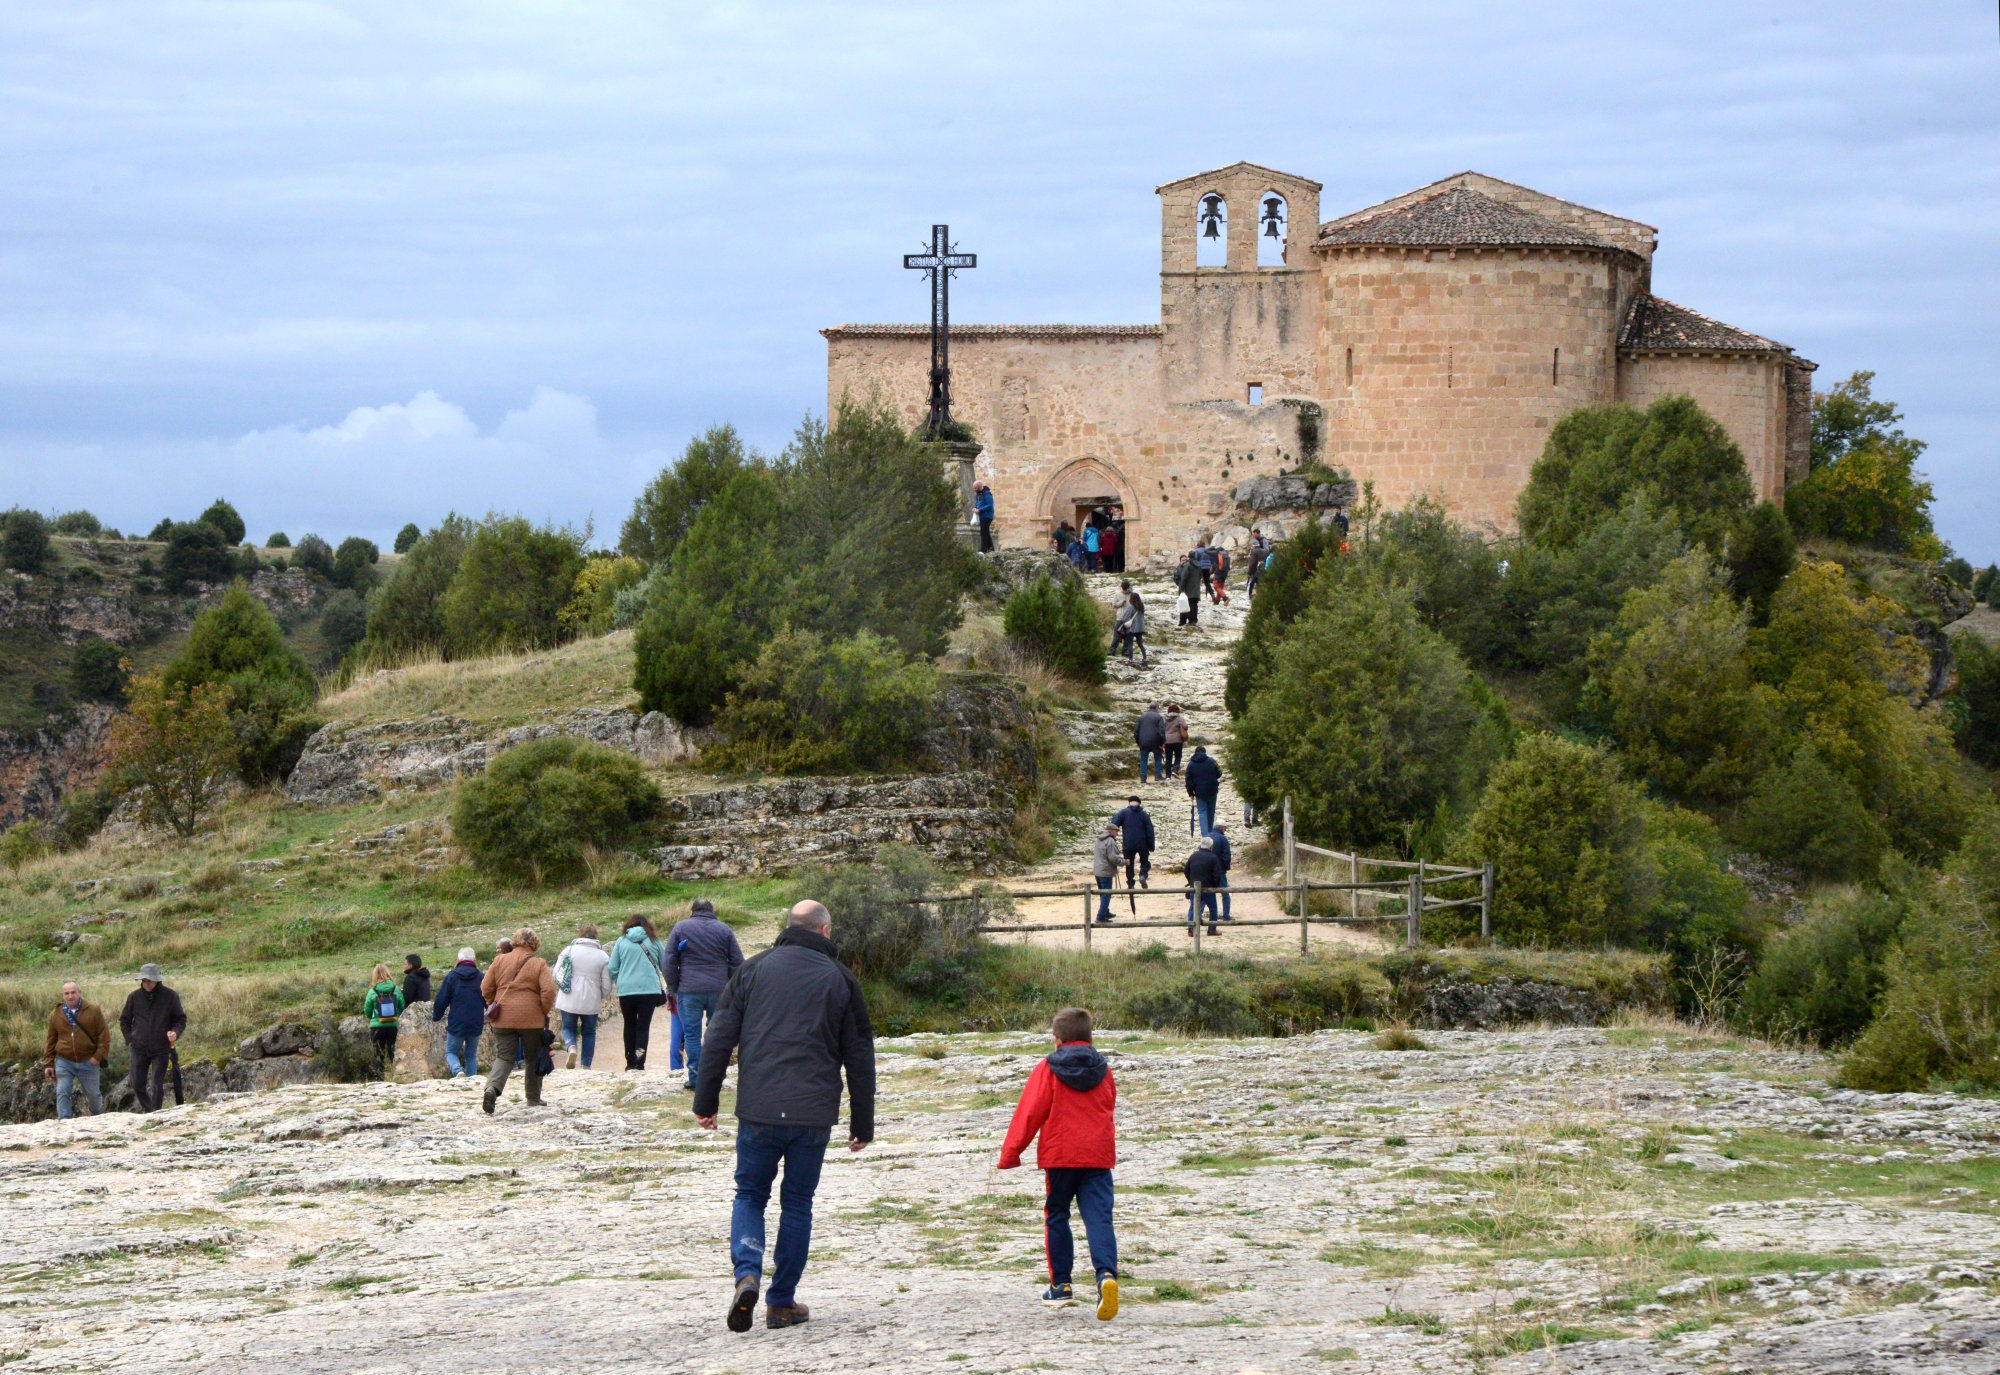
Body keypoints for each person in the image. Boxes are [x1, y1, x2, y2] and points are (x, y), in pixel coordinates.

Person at [696, 900, 876, 1334]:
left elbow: (719, 1036)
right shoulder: (841, 978)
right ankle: (780, 1302)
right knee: (797, 1203)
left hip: (759, 1107)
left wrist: (706, 1101)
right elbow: (859, 1055)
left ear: (789, 927)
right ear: (825, 931)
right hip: (812, 1114)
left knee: (750, 1194)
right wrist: (862, 1122)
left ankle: (747, 1273)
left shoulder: (753, 970)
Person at [997, 1007, 1118, 1321]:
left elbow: (1029, 1113)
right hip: (1097, 1156)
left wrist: (1010, 1154)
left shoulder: (1047, 1069)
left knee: (1057, 1214)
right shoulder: (1104, 1069)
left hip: (1060, 1155)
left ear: (1056, 1039)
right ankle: (1106, 1275)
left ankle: (1061, 1286)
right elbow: (1109, 1105)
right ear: (1090, 1037)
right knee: (1099, 1218)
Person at [666, 898, 745, 1092]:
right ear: (712, 911)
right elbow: (738, 962)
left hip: (689, 988)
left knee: (691, 1035)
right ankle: (714, 1076)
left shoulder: (680, 928)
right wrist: (731, 986)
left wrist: (673, 985)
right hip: (719, 989)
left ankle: (695, 1078)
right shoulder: (724, 929)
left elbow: (668, 960)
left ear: (692, 911)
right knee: (716, 1034)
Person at [481, 928, 556, 1113]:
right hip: (532, 1019)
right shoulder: (538, 964)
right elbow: (549, 991)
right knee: (533, 1057)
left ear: (514, 942)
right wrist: (542, 1011)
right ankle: (533, 1098)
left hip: (503, 1017)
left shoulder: (499, 960)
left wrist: (494, 1003)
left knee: (504, 1056)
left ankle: (492, 1088)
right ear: (534, 944)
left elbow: (485, 987)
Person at [119, 963, 184, 1114]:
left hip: (161, 1048)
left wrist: (175, 1032)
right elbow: (124, 1020)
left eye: (149, 980)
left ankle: (156, 1113)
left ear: (157, 980)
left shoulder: (170, 996)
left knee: (157, 1084)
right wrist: (130, 1039)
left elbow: (180, 1019)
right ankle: (149, 1111)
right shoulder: (134, 997)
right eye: (144, 980)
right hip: (138, 1047)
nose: (146, 983)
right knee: (137, 1084)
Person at [608, 915, 668, 1071]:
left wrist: (620, 980)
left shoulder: (621, 941)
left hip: (626, 990)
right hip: (649, 990)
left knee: (629, 1024)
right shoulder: (654, 940)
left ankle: (630, 1062)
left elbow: (612, 968)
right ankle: (640, 1062)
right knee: (643, 1026)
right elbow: (665, 964)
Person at [44, 980, 109, 1119]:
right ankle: (65, 1123)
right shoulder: (56, 1013)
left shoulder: (93, 1010)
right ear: (62, 995)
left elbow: (104, 1037)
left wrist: (97, 1057)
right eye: (66, 993)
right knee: (62, 1091)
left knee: (94, 1096)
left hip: (89, 1061)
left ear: (80, 993)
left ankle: (97, 1121)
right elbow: (51, 1039)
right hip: (64, 1061)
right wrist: (48, 1063)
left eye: (73, 992)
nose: (70, 996)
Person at [553, 924, 613, 1071]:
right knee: (589, 1033)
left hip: (569, 996)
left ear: (580, 935)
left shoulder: (569, 950)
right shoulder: (603, 956)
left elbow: (556, 974)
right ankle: (586, 1065)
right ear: (596, 936)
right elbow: (607, 983)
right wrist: (601, 995)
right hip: (591, 999)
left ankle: (571, 1047)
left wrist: (562, 986)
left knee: (568, 1027)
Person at [432, 947, 485, 1079]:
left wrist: (436, 1016)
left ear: (459, 960)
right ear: (474, 960)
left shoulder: (452, 976)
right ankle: (473, 1079)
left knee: (451, 1052)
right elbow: (488, 999)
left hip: (457, 1021)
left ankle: (457, 1070)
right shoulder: (481, 977)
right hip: (476, 1021)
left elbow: (441, 999)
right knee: (471, 1055)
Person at [362, 963, 406, 1070]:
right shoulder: (395, 989)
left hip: (377, 1027)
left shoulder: (372, 991)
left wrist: (373, 1018)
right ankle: (395, 1074)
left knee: (378, 1054)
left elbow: (367, 1010)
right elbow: (402, 1006)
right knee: (393, 1052)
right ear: (388, 974)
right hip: (393, 1026)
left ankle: (379, 1077)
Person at [1112, 795, 1155, 892]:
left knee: (1129, 864)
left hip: (1128, 844)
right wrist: (1151, 846)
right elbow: (1150, 831)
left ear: (1129, 803)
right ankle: (1143, 875)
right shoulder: (1144, 815)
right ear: (1139, 803)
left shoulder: (1123, 813)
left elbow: (1114, 824)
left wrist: (1112, 837)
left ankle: (1131, 884)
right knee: (1145, 862)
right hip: (1142, 844)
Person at [1184, 836, 1224, 936]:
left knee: (1193, 907)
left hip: (1195, 887)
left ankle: (1191, 928)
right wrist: (1214, 886)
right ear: (1211, 847)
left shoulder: (1193, 856)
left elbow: (1186, 870)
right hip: (1208, 888)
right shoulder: (1213, 857)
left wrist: (1191, 882)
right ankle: (1212, 929)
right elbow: (1217, 874)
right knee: (1213, 909)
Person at [1185, 744, 1221, 838]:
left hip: (1199, 792)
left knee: (1202, 812)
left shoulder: (1191, 764)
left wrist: (1190, 793)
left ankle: (1205, 836)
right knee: (1211, 811)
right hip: (1212, 790)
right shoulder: (1211, 761)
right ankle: (1210, 833)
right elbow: (1219, 773)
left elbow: (1188, 781)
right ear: (1205, 752)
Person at [1091, 822, 1122, 925]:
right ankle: (1100, 917)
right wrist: (1123, 862)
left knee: (1102, 893)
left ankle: (1105, 912)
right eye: (1116, 831)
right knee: (1106, 894)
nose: (1117, 833)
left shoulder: (1099, 840)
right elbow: (1112, 857)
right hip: (1105, 871)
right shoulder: (1110, 841)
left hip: (1098, 870)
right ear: (1111, 831)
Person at [1133, 702, 1165, 783]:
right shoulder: (1159, 717)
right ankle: (1158, 776)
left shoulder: (1141, 717)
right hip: (1155, 741)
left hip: (1143, 741)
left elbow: (1136, 731)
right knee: (1158, 758)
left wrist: (1138, 742)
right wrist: (1162, 743)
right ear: (1157, 708)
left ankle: (1143, 778)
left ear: (1149, 707)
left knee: (1143, 760)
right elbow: (1162, 731)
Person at [1210, 821, 1233, 923]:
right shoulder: (1223, 839)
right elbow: (1226, 855)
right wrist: (1226, 867)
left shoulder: (1207, 836)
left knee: (1204, 892)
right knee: (1225, 893)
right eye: (1225, 828)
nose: (1225, 830)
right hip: (1220, 871)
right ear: (1221, 828)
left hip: (1208, 870)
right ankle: (1226, 915)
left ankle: (1199, 913)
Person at [1174, 553, 1204, 627]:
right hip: (1196, 589)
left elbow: (1184, 578)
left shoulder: (1187, 565)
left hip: (1187, 589)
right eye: (1182, 560)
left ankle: (1190, 621)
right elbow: (1200, 575)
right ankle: (1190, 621)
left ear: (1188, 557)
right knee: (1193, 605)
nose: (1184, 561)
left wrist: (1181, 588)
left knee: (1188, 604)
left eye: (1185, 559)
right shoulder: (1198, 565)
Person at [1161, 703, 1188, 779]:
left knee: (1168, 758)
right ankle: (1175, 770)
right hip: (1177, 740)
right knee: (1178, 756)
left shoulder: (1164, 718)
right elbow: (1185, 726)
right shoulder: (1179, 718)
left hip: (1167, 741)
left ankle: (1167, 776)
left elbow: (1161, 728)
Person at [1122, 592, 1148, 666]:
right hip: (1140, 628)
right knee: (1140, 644)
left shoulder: (1131, 607)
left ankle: (1130, 660)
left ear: (1131, 598)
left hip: (1132, 628)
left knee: (1130, 644)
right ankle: (1145, 659)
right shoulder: (1141, 606)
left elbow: (1125, 618)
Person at [974, 481, 995, 554]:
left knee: (983, 532)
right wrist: (975, 508)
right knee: (986, 531)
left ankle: (983, 550)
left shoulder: (987, 494)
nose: (974, 489)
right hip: (982, 516)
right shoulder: (978, 494)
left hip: (987, 516)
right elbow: (978, 503)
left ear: (979, 487)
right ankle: (991, 548)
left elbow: (989, 505)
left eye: (975, 488)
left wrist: (979, 510)